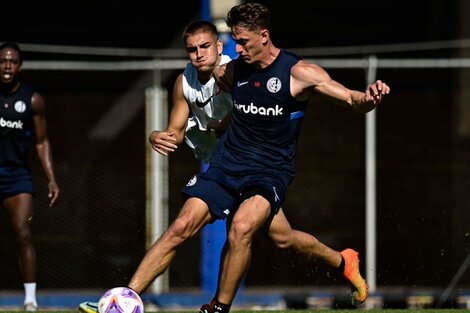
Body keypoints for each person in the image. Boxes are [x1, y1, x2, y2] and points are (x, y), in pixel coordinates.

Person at [80, 10, 386, 312]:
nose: (236, 50)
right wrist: (161, 134)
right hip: (227, 164)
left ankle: (219, 308)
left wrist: (368, 98)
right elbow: (205, 93)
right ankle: (123, 299)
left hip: (269, 172)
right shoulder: (232, 71)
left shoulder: (300, 73)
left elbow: (351, 99)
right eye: (234, 42)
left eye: (242, 42)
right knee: (185, 226)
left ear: (264, 36)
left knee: (245, 230)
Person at [0, 42, 60, 311]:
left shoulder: (32, 100)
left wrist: (51, 177)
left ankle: (30, 300)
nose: (7, 66)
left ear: (20, 66)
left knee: (23, 234)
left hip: (17, 177)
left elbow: (42, 141)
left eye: (12, 61)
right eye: (2, 61)